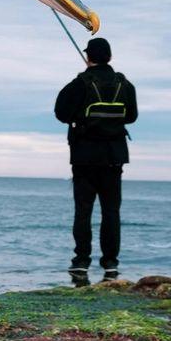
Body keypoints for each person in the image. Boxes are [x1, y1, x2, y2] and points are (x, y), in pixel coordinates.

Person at [54, 36, 137, 280]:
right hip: (114, 157)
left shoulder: (80, 83)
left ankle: (81, 261)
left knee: (83, 211)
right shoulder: (125, 84)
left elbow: (60, 112)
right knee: (111, 211)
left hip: (84, 156)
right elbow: (131, 116)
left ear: (88, 57)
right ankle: (110, 263)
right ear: (110, 57)